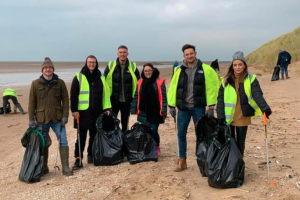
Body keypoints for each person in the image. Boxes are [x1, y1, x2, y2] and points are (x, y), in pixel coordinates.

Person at [167, 44, 219, 172]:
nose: (189, 56)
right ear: (183, 56)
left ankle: (204, 162)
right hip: (183, 108)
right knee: (181, 134)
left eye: (191, 53)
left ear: (195, 53)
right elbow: (173, 88)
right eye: (186, 54)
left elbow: (212, 88)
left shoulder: (206, 69)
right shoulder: (179, 70)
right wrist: (171, 105)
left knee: (201, 135)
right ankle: (182, 160)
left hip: (198, 108)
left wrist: (211, 107)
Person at [216, 51, 272, 157]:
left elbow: (257, 94)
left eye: (240, 64)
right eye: (235, 65)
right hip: (228, 117)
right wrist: (220, 117)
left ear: (244, 65)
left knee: (240, 144)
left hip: (242, 116)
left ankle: (239, 166)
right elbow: (220, 101)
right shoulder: (225, 81)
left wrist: (265, 108)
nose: (237, 67)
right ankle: (231, 167)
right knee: (230, 144)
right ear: (232, 66)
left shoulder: (251, 79)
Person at [28, 57, 73, 176]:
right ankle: (43, 167)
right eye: (46, 67)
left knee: (63, 141)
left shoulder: (60, 82)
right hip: (42, 119)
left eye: (50, 67)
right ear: (42, 69)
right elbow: (32, 102)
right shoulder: (35, 84)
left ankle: (66, 167)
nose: (48, 69)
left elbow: (65, 100)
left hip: (58, 119)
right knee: (43, 143)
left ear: (53, 69)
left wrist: (65, 115)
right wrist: (31, 119)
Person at [70, 55, 111, 170]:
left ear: (96, 63)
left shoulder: (101, 78)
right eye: (89, 62)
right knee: (81, 136)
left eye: (93, 62)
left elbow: (106, 96)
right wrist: (74, 110)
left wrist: (106, 108)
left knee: (94, 135)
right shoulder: (79, 77)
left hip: (97, 112)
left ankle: (91, 155)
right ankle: (78, 158)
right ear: (86, 63)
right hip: (82, 113)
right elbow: (73, 95)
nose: (91, 64)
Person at [131, 63, 167, 157]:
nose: (147, 72)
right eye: (145, 71)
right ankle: (148, 148)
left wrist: (164, 110)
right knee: (145, 130)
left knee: (153, 130)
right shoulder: (140, 82)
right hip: (143, 111)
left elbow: (163, 98)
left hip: (155, 111)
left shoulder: (159, 81)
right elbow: (136, 96)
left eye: (149, 70)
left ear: (153, 70)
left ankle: (156, 147)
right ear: (143, 72)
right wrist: (133, 108)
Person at [104, 45, 140, 132]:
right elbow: (103, 82)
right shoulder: (110, 65)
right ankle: (114, 142)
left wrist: (135, 99)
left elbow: (139, 83)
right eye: (120, 52)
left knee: (125, 124)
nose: (122, 54)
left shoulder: (133, 66)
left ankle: (124, 142)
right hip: (113, 100)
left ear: (128, 54)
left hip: (126, 101)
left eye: (124, 52)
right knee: (112, 123)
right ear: (117, 54)